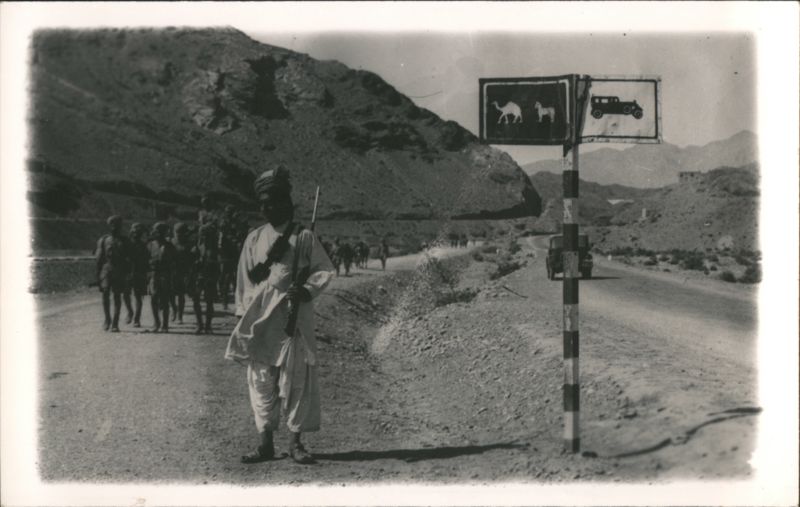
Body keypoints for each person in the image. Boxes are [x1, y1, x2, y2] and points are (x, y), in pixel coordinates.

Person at [226, 165, 334, 465]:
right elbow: (244, 282)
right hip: (261, 320)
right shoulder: (254, 238)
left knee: (296, 378)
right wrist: (241, 315)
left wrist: (308, 290)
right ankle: (265, 444)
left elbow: (324, 269)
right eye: (264, 202)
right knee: (261, 379)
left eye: (274, 201)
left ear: (286, 203)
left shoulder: (304, 237)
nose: (268, 207)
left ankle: (296, 443)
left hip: (293, 317)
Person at [95, 215, 131, 332]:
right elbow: (99, 259)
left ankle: (115, 323)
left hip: (120, 270)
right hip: (107, 270)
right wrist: (98, 277)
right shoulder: (104, 240)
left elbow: (131, 258)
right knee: (105, 293)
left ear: (120, 226)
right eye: (112, 225)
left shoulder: (125, 241)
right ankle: (107, 319)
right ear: (109, 226)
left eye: (117, 225)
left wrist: (128, 273)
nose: (114, 227)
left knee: (117, 296)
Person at [147, 222, 177, 333]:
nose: (157, 234)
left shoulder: (169, 246)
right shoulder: (150, 245)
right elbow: (146, 260)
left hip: (165, 275)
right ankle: (156, 322)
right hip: (154, 275)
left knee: (165, 300)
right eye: (156, 231)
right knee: (153, 298)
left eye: (159, 232)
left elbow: (175, 262)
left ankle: (165, 324)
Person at [190, 222, 220, 334]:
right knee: (196, 299)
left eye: (206, 235)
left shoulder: (215, 248)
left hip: (210, 277)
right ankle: (200, 324)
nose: (204, 237)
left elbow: (218, 264)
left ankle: (207, 325)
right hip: (199, 276)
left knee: (209, 301)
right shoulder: (198, 246)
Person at [170, 222, 193, 325]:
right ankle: (174, 310)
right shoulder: (170, 242)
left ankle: (180, 315)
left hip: (183, 272)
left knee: (181, 295)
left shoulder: (188, 244)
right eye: (176, 232)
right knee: (171, 294)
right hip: (172, 271)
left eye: (180, 232)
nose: (178, 234)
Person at [128, 222, 149, 328]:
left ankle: (136, 318)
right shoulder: (127, 244)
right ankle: (130, 312)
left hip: (138, 273)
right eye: (134, 231)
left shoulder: (144, 246)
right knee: (126, 295)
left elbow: (146, 262)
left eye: (138, 232)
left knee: (138, 297)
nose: (135, 233)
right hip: (129, 272)